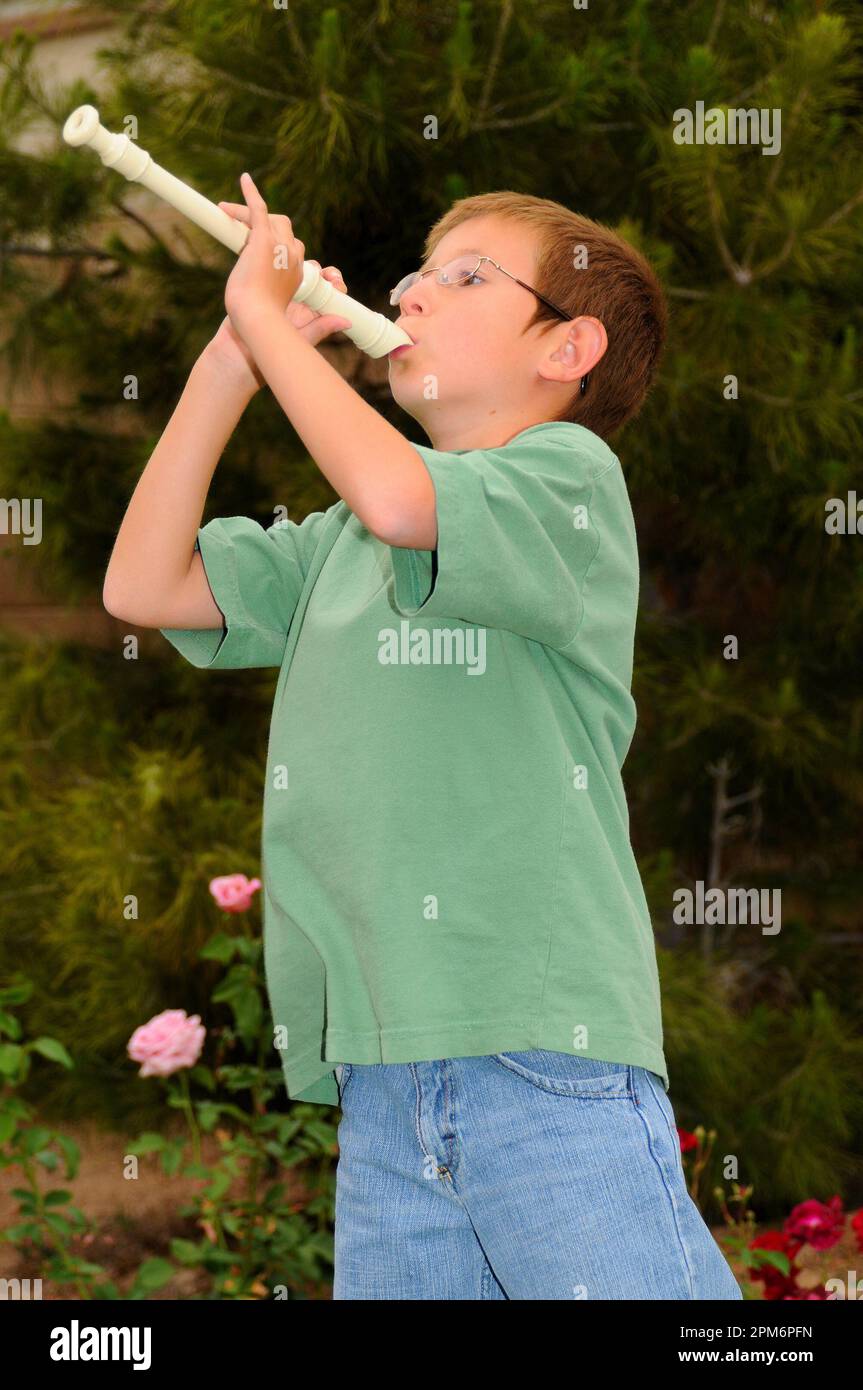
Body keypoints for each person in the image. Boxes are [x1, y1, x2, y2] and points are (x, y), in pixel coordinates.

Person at [103, 178, 742, 1300]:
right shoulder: (340, 541)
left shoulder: (566, 483)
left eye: (464, 276)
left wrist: (265, 319)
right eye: (414, 273)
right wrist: (229, 361)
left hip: (538, 1047)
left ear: (568, 347)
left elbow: (403, 499)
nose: (411, 293)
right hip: (385, 1073)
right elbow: (143, 583)